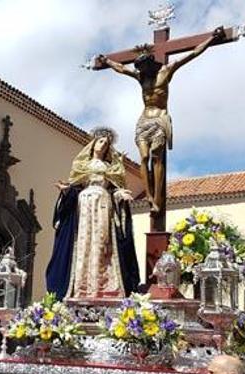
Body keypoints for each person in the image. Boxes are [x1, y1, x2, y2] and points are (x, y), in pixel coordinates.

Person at [94, 27, 225, 213]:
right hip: (144, 121)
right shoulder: (141, 77)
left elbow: (192, 54)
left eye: (144, 68)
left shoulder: (166, 72)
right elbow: (122, 68)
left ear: (150, 63)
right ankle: (148, 196)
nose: (141, 71)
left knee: (156, 156)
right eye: (139, 69)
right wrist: (106, 60)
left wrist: (211, 38)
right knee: (144, 157)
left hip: (160, 120)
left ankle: (157, 198)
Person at [45, 127, 140, 299]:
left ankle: (102, 287)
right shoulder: (81, 165)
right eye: (101, 141)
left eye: (106, 143)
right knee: (83, 243)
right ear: (93, 143)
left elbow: (114, 189)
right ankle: (81, 287)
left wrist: (120, 194)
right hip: (84, 206)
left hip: (103, 204)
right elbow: (75, 186)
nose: (103, 145)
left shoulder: (109, 167)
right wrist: (66, 191)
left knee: (102, 242)